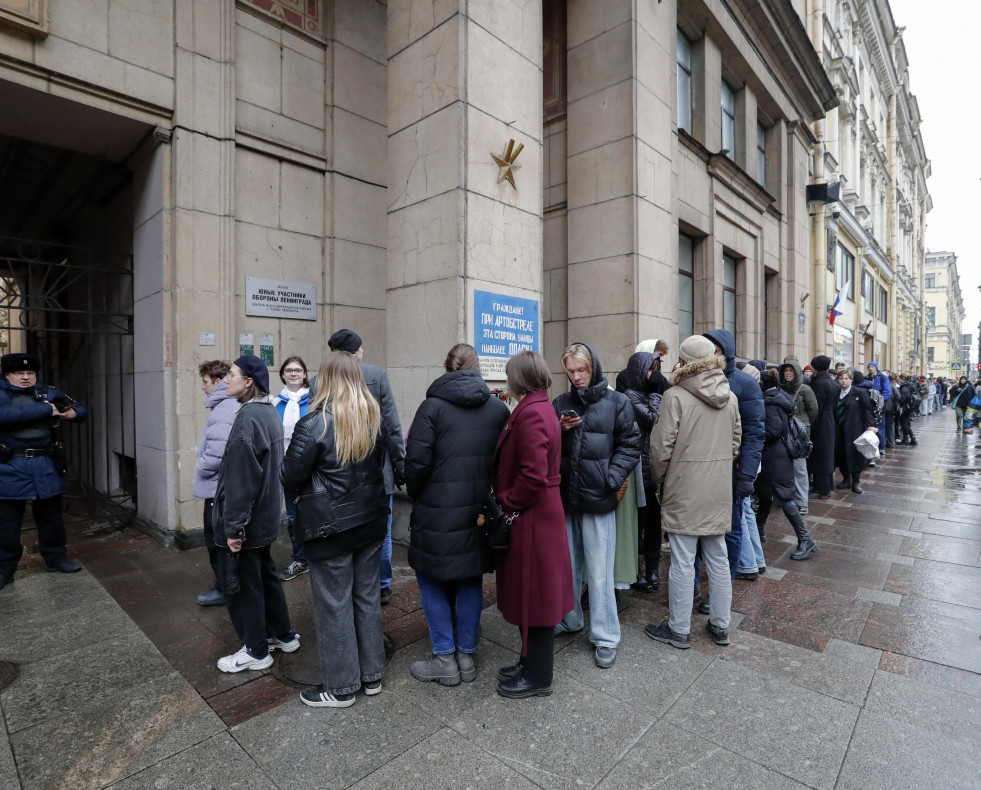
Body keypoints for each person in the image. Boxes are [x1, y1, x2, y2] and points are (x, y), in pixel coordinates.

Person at [281, 351, 389, 707]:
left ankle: (341, 687)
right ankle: (372, 675)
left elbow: (289, 476)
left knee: (334, 604)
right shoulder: (373, 418)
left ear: (323, 379)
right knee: (367, 596)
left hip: (331, 528)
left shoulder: (314, 424)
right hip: (370, 521)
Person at [405, 344, 509, 686]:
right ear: (477, 369)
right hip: (479, 511)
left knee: (431, 578)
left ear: (446, 368)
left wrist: (421, 497)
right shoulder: (497, 408)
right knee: (469, 577)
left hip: (437, 508)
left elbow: (416, 465)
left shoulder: (431, 408)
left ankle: (445, 658)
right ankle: (466, 654)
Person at [644, 335, 741, 649]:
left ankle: (679, 629)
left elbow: (660, 450)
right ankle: (721, 626)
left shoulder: (674, 396)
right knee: (718, 558)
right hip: (717, 488)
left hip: (684, 487)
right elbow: (735, 442)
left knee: (683, 560)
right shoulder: (730, 395)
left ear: (684, 362)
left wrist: (660, 479)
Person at [552, 343, 640, 669]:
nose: (576, 377)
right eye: (571, 371)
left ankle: (605, 636)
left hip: (598, 499)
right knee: (569, 567)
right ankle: (570, 619)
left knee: (600, 573)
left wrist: (610, 478)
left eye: (582, 370)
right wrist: (558, 430)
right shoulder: (561, 403)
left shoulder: (618, 402)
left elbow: (631, 445)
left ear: (594, 368)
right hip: (567, 498)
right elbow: (545, 446)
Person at [493, 351, 573, 698]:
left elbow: (532, 475)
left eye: (509, 375)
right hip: (537, 515)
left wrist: (507, 501)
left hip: (534, 518)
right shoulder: (539, 407)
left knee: (538, 598)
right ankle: (528, 663)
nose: (506, 381)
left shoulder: (533, 414)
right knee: (532, 595)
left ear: (519, 379)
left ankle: (539, 677)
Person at [213, 355, 297, 673]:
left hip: (248, 523)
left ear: (249, 382)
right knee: (266, 578)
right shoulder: (268, 412)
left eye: (231, 375)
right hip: (264, 517)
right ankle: (284, 635)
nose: (225, 380)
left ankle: (256, 650)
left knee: (244, 586)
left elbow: (241, 481)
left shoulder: (248, 418)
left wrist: (234, 530)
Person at [328, 329, 405, 605]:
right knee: (381, 532)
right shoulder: (377, 375)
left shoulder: (321, 380)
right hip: (377, 472)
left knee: (346, 530)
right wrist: (399, 466)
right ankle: (382, 585)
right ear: (357, 350)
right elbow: (392, 426)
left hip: (337, 473)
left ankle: (351, 584)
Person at [0, 352, 87, 589]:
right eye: (19, 373)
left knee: (51, 519)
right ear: (7, 375)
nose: (26, 377)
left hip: (45, 464)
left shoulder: (47, 392)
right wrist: (46, 410)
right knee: (7, 523)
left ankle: (56, 558)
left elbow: (80, 409)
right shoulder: (2, 394)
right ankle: (5, 568)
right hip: (10, 467)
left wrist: (72, 412)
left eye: (30, 373)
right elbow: (4, 415)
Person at [701, 330, 764, 590]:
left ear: (725, 351)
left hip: (731, 470)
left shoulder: (744, 384)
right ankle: (697, 587)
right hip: (701, 471)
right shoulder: (698, 381)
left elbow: (754, 432)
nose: (710, 355)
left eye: (715, 350)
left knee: (732, 529)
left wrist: (747, 475)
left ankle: (723, 587)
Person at [615, 350, 670, 591]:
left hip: (655, 469)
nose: (655, 374)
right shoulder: (628, 396)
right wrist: (660, 394)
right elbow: (653, 419)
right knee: (636, 526)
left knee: (654, 526)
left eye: (657, 369)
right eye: (651, 369)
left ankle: (653, 571)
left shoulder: (656, 393)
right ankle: (634, 572)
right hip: (637, 471)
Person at [756, 373, 818, 560]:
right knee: (765, 494)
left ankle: (805, 540)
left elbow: (774, 430)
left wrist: (754, 432)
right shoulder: (779, 398)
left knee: (784, 496)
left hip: (775, 456)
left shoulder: (770, 402)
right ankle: (759, 531)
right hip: (775, 455)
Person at [192, 359, 236, 607]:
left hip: (217, 489)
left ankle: (224, 588)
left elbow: (217, 455)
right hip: (219, 488)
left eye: (205, 381)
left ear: (217, 382)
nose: (202, 387)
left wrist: (200, 465)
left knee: (216, 541)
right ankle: (222, 582)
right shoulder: (226, 405)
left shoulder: (222, 409)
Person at [274, 356, 312, 582]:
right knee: (293, 516)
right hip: (287, 467)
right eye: (289, 370)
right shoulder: (275, 403)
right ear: (283, 374)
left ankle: (318, 556)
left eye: (298, 369)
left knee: (316, 513)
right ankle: (300, 559)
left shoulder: (314, 400)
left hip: (313, 468)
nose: (294, 373)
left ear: (305, 374)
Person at [778, 360, 817, 515]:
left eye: (791, 371)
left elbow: (813, 411)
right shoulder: (780, 389)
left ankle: (802, 502)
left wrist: (802, 425)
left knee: (799, 468)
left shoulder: (805, 389)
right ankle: (786, 498)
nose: (788, 373)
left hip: (799, 434)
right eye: (786, 371)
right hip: (783, 432)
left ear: (797, 372)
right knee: (784, 467)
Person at [834, 369, 876, 494]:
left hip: (855, 429)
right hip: (839, 429)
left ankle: (856, 481)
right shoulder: (836, 392)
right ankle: (846, 479)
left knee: (855, 455)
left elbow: (868, 409)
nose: (843, 381)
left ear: (851, 380)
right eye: (841, 378)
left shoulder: (860, 392)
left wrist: (870, 425)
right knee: (841, 454)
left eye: (846, 378)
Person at [807, 355, 838, 498]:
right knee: (826, 454)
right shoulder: (830, 382)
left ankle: (822, 489)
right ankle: (826, 485)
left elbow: (816, 407)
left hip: (821, 422)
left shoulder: (819, 383)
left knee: (820, 455)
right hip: (829, 419)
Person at [866, 362, 891, 456]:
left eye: (872, 366)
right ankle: (873, 447)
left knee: (880, 427)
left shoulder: (882, 377)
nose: (870, 368)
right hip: (869, 406)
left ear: (876, 367)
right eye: (869, 367)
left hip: (880, 406)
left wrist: (880, 400)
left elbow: (887, 391)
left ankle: (882, 447)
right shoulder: (867, 377)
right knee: (871, 427)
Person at [896, 375, 919, 446]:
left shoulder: (904, 388)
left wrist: (898, 399)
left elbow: (903, 399)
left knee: (904, 424)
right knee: (906, 423)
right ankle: (912, 439)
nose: (898, 380)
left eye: (899, 378)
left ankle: (906, 440)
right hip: (909, 407)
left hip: (904, 408)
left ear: (902, 379)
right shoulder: (909, 386)